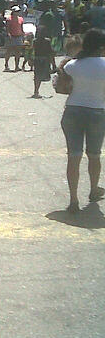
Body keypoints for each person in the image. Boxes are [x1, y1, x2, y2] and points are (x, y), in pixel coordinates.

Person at [58, 28, 105, 213]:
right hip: (97, 113)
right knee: (94, 155)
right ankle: (94, 190)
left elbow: (63, 84)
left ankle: (73, 200)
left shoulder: (72, 65)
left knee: (73, 156)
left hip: (72, 111)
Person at [32, 26, 56, 99]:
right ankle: (36, 92)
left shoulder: (34, 41)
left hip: (37, 60)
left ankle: (36, 91)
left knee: (37, 76)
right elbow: (50, 53)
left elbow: (32, 52)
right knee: (43, 76)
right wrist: (53, 64)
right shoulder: (47, 41)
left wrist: (30, 60)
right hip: (45, 60)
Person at [4, 6, 25, 71]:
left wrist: (23, 35)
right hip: (12, 37)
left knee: (18, 52)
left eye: (18, 11)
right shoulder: (9, 19)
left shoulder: (20, 19)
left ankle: (17, 66)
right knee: (9, 51)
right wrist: (9, 35)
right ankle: (6, 64)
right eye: (16, 11)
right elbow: (7, 29)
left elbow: (21, 28)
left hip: (18, 36)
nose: (18, 12)